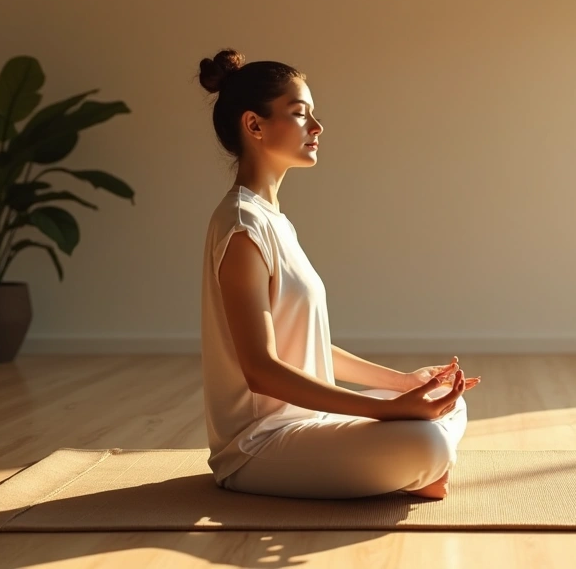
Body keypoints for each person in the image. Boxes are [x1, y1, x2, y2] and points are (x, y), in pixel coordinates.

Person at [196, 49, 479, 500]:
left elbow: (303, 346)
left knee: (446, 403)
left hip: (312, 425)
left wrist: (406, 385)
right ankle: (420, 464)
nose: (317, 127)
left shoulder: (273, 220)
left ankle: (415, 466)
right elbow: (261, 370)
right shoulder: (241, 225)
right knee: (426, 441)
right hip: (258, 446)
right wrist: (388, 413)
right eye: (299, 113)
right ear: (254, 125)